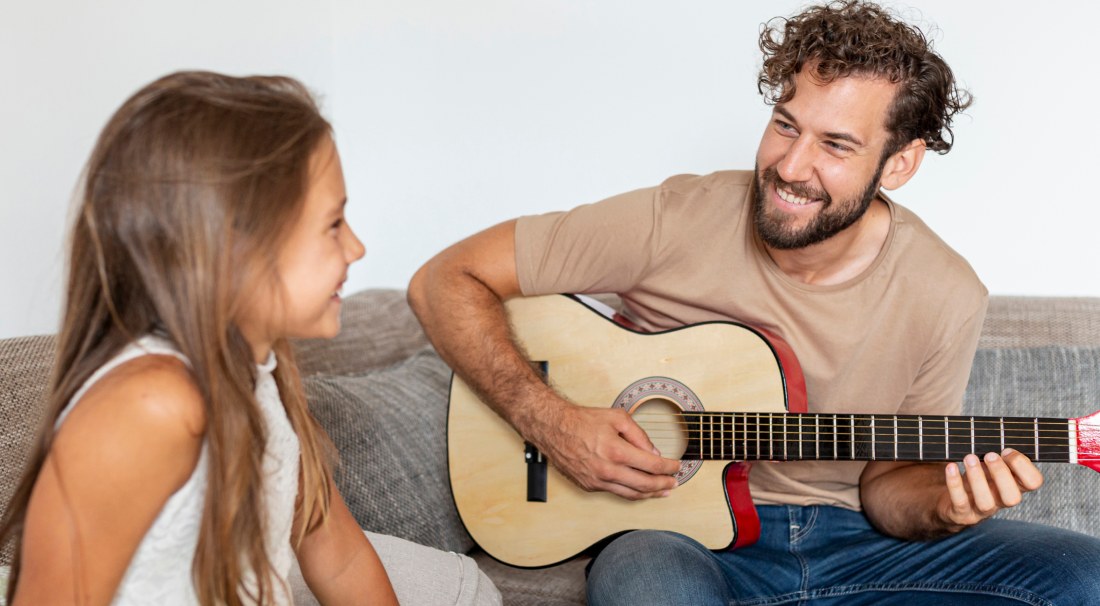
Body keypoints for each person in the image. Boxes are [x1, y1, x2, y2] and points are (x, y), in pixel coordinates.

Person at [408, 1, 1100, 604]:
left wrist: (945, 506)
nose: (792, 166)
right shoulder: (676, 217)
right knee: (649, 584)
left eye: (835, 144)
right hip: (675, 537)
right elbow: (445, 278)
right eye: (785, 123)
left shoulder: (946, 292)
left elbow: (889, 488)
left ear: (899, 164)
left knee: (1084, 577)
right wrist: (550, 419)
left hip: (853, 546)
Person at [0, 71, 500, 605]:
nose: (355, 248)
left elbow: (339, 554)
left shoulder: (262, 375)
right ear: (232, 250)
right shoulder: (148, 406)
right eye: (333, 224)